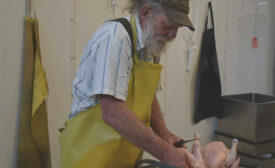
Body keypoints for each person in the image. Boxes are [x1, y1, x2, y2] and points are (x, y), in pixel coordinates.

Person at [59, 0, 195, 168]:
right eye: (168, 25)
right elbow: (112, 112)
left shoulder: (150, 43)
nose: (173, 35)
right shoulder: (115, 38)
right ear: (145, 12)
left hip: (122, 156)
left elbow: (147, 95)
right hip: (90, 157)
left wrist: (164, 134)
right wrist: (166, 153)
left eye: (177, 28)